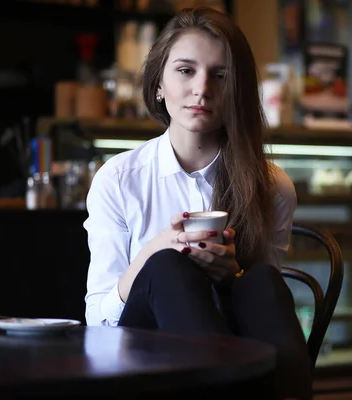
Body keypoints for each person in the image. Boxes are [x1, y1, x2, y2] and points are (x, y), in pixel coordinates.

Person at [83, 7, 312, 400]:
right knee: (166, 266)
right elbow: (97, 319)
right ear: (158, 84)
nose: (202, 88)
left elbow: (263, 314)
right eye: (185, 70)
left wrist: (232, 273)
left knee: (259, 280)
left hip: (239, 361)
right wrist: (151, 255)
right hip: (140, 367)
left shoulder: (272, 186)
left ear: (237, 90)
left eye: (220, 75)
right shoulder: (119, 180)